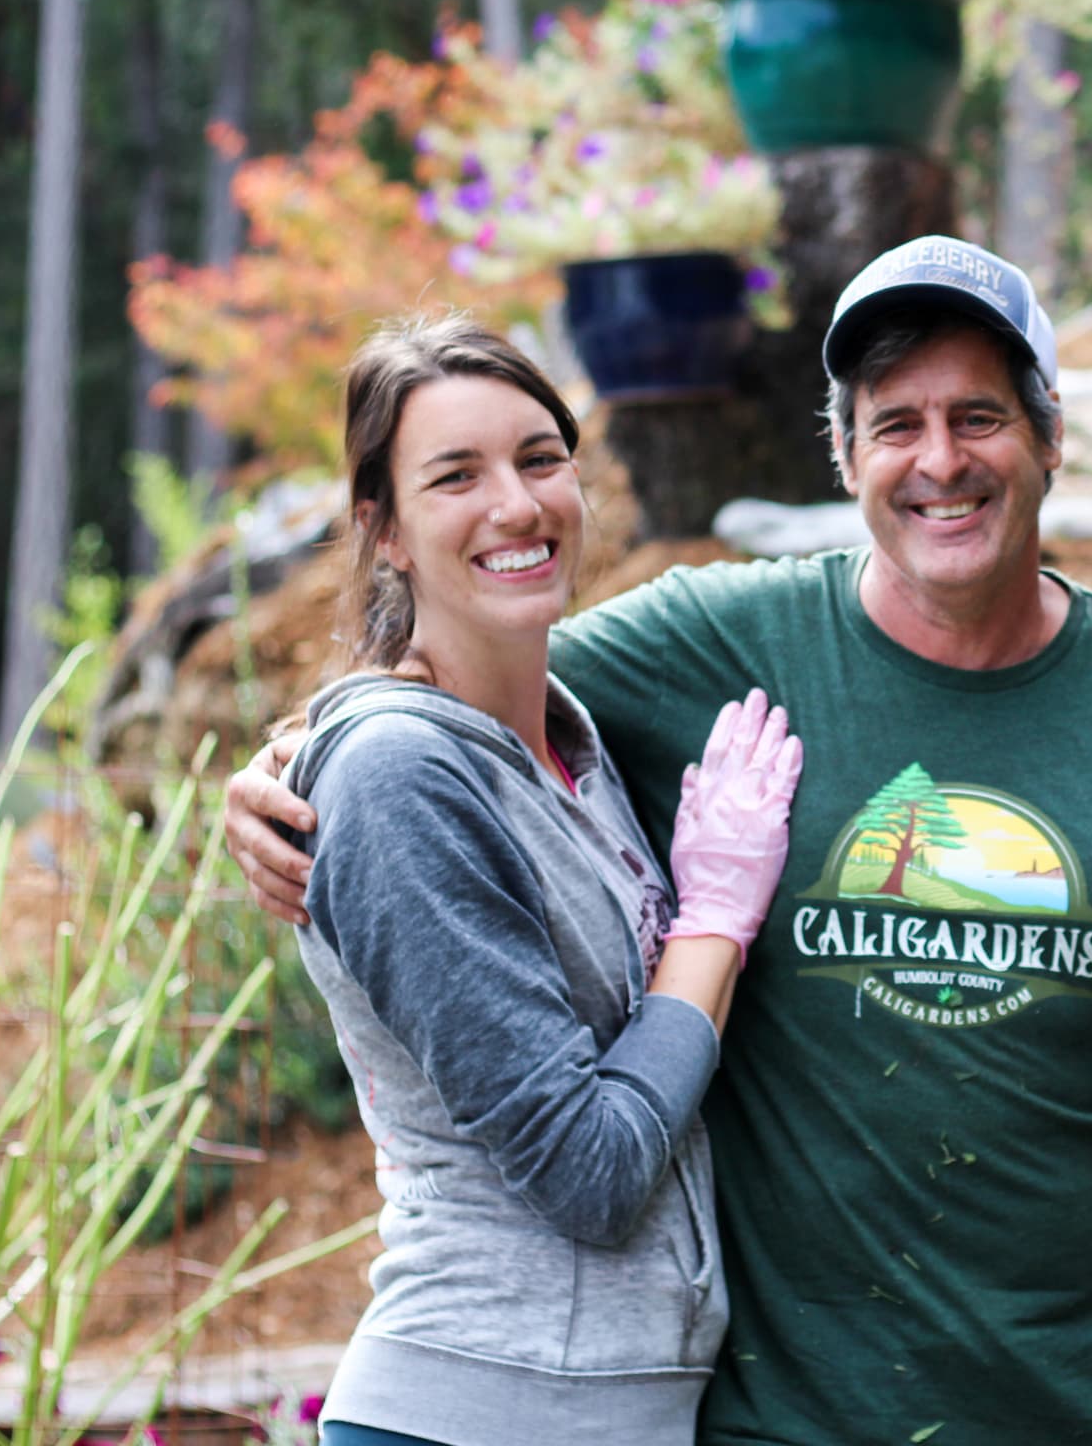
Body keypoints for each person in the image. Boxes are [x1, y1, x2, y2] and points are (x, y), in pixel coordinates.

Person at [230, 241, 1092, 1446]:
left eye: (979, 415)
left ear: (1049, 435)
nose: (940, 461)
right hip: (792, 1419)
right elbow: (460, 679)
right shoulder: (709, 651)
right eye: (895, 425)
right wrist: (295, 755)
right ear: (845, 454)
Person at [285, 316, 803, 1446]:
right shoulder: (398, 775)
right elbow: (591, 1169)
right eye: (455, 475)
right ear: (385, 531)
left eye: (538, 457)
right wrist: (712, 920)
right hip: (485, 1403)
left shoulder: (567, 744)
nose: (516, 505)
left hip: (607, 1407)